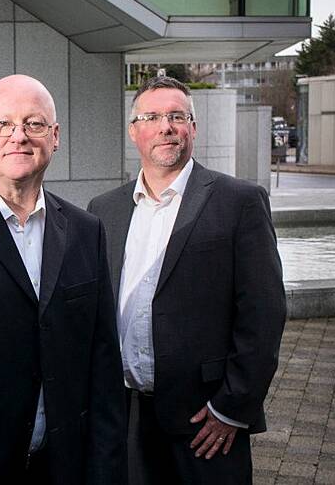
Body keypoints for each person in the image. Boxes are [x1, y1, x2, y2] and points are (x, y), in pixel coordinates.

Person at [87, 75, 286, 484]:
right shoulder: (103, 210)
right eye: (153, 116)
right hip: (126, 418)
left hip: (206, 422)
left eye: (178, 116)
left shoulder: (239, 201)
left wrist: (233, 406)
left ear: (193, 128)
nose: (166, 126)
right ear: (134, 131)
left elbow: (263, 313)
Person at [0, 75, 126, 484]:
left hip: (65, 467)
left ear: (54, 137)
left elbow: (103, 363)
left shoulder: (86, 230)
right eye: (3, 124)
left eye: (33, 124)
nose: (18, 136)